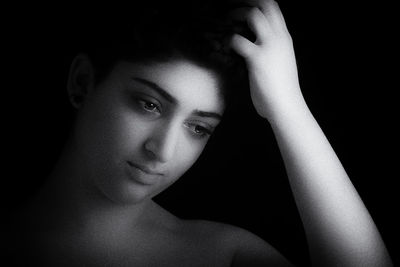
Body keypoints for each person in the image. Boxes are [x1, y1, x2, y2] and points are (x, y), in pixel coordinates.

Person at [5, 0, 393, 266]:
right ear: (82, 82)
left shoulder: (223, 256)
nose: (163, 150)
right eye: (149, 104)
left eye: (198, 127)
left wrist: (288, 106)